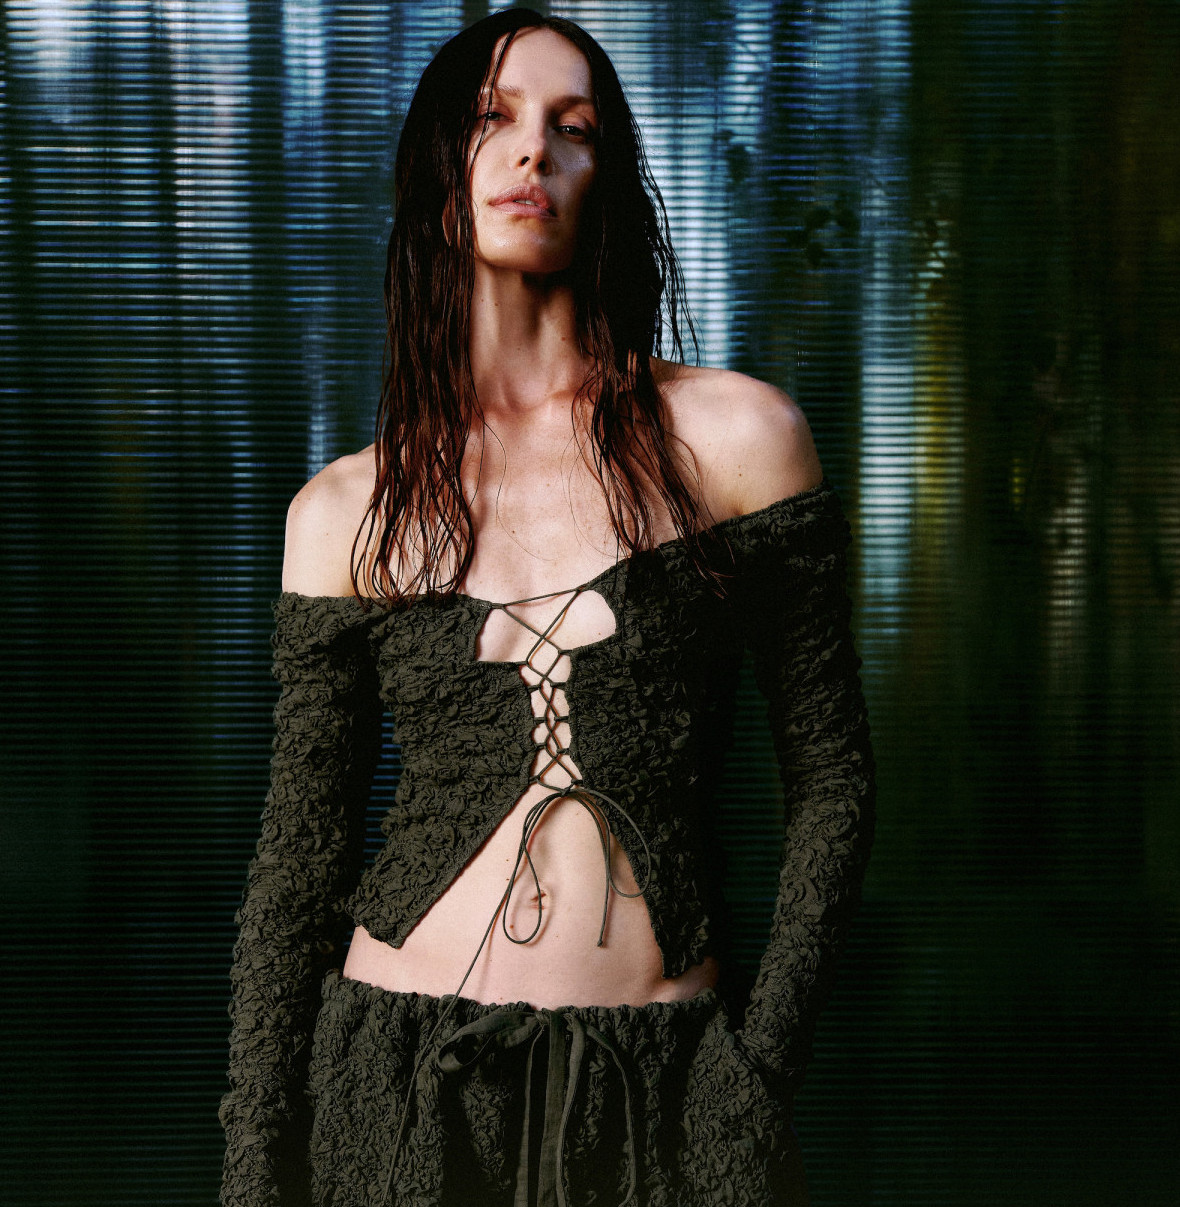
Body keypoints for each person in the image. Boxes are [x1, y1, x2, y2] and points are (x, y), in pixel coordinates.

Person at [219, 8, 874, 1206]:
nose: (534, 150)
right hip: (397, 1086)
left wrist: (753, 1073)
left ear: (604, 177)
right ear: (438, 167)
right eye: (494, 118)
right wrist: (255, 1178)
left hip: (662, 1091)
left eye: (573, 128)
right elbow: (297, 868)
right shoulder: (345, 509)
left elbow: (832, 782)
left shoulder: (738, 440)